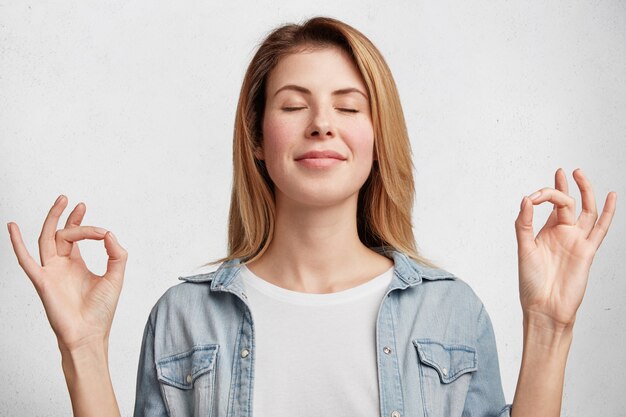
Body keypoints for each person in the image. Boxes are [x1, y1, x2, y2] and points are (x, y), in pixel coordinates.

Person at [7, 16, 617, 417]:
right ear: (255, 137)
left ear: (378, 138)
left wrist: (549, 325)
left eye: (349, 107)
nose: (322, 123)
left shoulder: (450, 312)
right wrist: (83, 347)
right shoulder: (184, 317)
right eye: (294, 105)